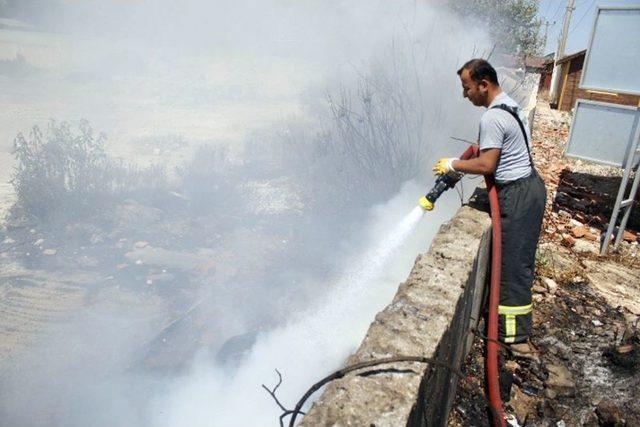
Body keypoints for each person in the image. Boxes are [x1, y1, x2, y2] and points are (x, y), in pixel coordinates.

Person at [433, 58, 546, 345]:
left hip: (518, 195)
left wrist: (454, 164)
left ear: (483, 84)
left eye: (467, 87)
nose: (465, 94)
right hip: (529, 187)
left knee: (512, 266)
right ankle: (507, 330)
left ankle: (512, 339)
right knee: (516, 262)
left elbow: (486, 165)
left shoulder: (492, 117)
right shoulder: (509, 104)